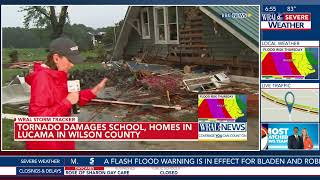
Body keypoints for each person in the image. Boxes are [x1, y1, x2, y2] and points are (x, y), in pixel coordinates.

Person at [25, 37, 107, 150]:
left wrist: (93, 91)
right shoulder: (42, 78)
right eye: (70, 60)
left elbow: (71, 98)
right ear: (56, 58)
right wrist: (67, 102)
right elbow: (39, 120)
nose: (72, 65)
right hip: (47, 146)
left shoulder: (58, 76)